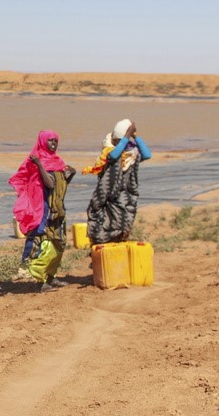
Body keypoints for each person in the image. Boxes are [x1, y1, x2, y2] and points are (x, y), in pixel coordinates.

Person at [8, 131, 76, 292]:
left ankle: (51, 277)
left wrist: (70, 174)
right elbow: (50, 185)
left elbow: (61, 185)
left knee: (60, 244)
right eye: (51, 141)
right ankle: (40, 281)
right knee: (46, 245)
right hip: (45, 211)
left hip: (58, 210)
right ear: (43, 142)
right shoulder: (37, 161)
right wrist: (39, 164)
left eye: (56, 141)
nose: (54, 144)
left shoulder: (58, 161)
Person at [84, 118, 153, 244]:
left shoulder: (130, 154)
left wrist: (133, 136)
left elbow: (147, 154)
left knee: (122, 221)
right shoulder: (110, 152)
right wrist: (128, 135)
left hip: (125, 194)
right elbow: (114, 155)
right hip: (111, 195)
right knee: (109, 221)